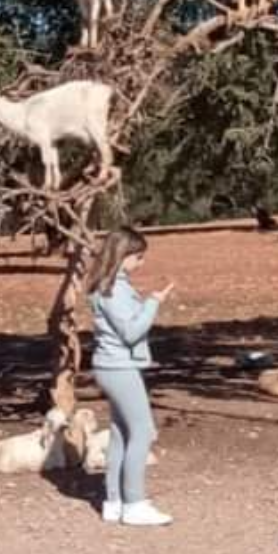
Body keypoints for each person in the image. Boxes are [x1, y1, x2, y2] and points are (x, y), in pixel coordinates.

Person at [87, 226, 176, 527]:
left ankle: (114, 501)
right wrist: (153, 303)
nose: (142, 263)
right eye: (138, 257)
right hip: (119, 367)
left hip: (112, 366)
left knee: (121, 432)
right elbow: (131, 331)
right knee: (143, 431)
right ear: (122, 255)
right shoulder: (114, 290)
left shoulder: (110, 286)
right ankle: (134, 503)